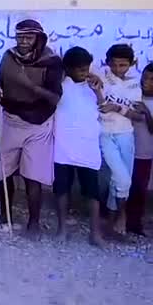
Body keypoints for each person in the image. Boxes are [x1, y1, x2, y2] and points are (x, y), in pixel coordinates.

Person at [0, 19, 63, 238]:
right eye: (19, 37)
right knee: (4, 172)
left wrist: (29, 86)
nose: (23, 41)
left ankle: (34, 222)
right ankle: (5, 216)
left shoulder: (51, 62)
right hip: (11, 119)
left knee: (33, 176)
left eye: (28, 37)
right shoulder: (9, 56)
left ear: (38, 39)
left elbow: (54, 98)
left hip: (38, 124)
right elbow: (0, 81)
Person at [52, 47, 104, 246]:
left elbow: (102, 105)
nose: (85, 72)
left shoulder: (94, 85)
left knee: (92, 191)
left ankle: (95, 232)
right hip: (63, 145)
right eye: (80, 69)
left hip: (88, 145)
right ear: (68, 69)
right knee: (62, 189)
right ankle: (62, 229)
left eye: (87, 68)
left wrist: (98, 90)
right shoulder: (60, 85)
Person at [96, 43, 143, 238]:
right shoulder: (102, 78)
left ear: (131, 64)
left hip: (126, 134)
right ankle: (121, 216)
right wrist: (105, 101)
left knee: (123, 180)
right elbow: (100, 106)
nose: (117, 69)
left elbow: (137, 115)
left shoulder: (134, 85)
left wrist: (117, 108)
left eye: (122, 65)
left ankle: (112, 221)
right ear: (107, 62)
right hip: (106, 134)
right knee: (121, 178)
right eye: (114, 64)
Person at [126, 63, 153, 236]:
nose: (146, 82)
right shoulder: (133, 93)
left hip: (144, 153)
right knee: (122, 185)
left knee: (138, 189)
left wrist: (146, 113)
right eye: (145, 77)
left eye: (152, 79)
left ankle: (134, 224)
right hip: (126, 149)